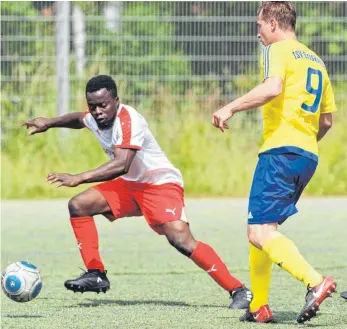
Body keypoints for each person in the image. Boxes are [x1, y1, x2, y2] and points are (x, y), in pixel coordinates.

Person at [23, 75, 253, 309]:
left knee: (180, 240)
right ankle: (96, 273)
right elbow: (78, 119)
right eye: (92, 106)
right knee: (79, 205)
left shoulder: (129, 119)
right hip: (130, 184)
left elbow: (121, 164)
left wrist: (78, 177)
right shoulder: (94, 117)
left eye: (103, 105)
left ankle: (238, 289)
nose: (98, 111)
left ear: (116, 100)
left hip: (159, 184)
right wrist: (49, 122)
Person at [212, 1, 337, 324]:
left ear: (273, 24)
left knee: (259, 232)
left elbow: (272, 88)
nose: (258, 33)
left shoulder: (279, 50)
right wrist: (304, 143)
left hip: (280, 152)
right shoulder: (316, 61)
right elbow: (326, 121)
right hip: (306, 155)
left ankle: (314, 281)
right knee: (262, 227)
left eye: (259, 26)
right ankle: (261, 306)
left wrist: (231, 107)